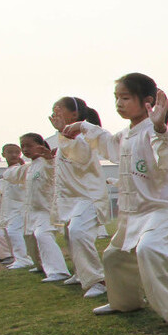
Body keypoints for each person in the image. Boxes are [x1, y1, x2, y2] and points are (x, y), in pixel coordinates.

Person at [62, 73, 168, 330]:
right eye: (116, 98)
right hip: (134, 212)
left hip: (162, 209)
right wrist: (81, 126)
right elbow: (106, 143)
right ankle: (125, 302)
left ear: (147, 101)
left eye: (125, 98)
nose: (119, 103)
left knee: (150, 249)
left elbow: (165, 155)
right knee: (114, 256)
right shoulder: (126, 134)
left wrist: (159, 127)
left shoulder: (155, 132)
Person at [50, 97, 113, 295]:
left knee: (78, 232)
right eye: (53, 110)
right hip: (71, 199)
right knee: (70, 235)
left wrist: (63, 134)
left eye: (59, 110)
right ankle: (80, 273)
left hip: (88, 197)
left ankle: (98, 280)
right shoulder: (63, 139)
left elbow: (82, 155)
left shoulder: (86, 136)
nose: (55, 114)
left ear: (74, 114)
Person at [0, 133, 72, 282]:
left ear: (40, 145)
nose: (25, 149)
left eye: (29, 145)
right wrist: (14, 163)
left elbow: (54, 171)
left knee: (43, 235)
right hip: (32, 211)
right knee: (31, 238)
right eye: (23, 146)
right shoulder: (30, 167)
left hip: (48, 210)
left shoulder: (47, 162)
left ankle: (59, 271)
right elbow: (10, 175)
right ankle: (41, 266)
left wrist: (50, 159)